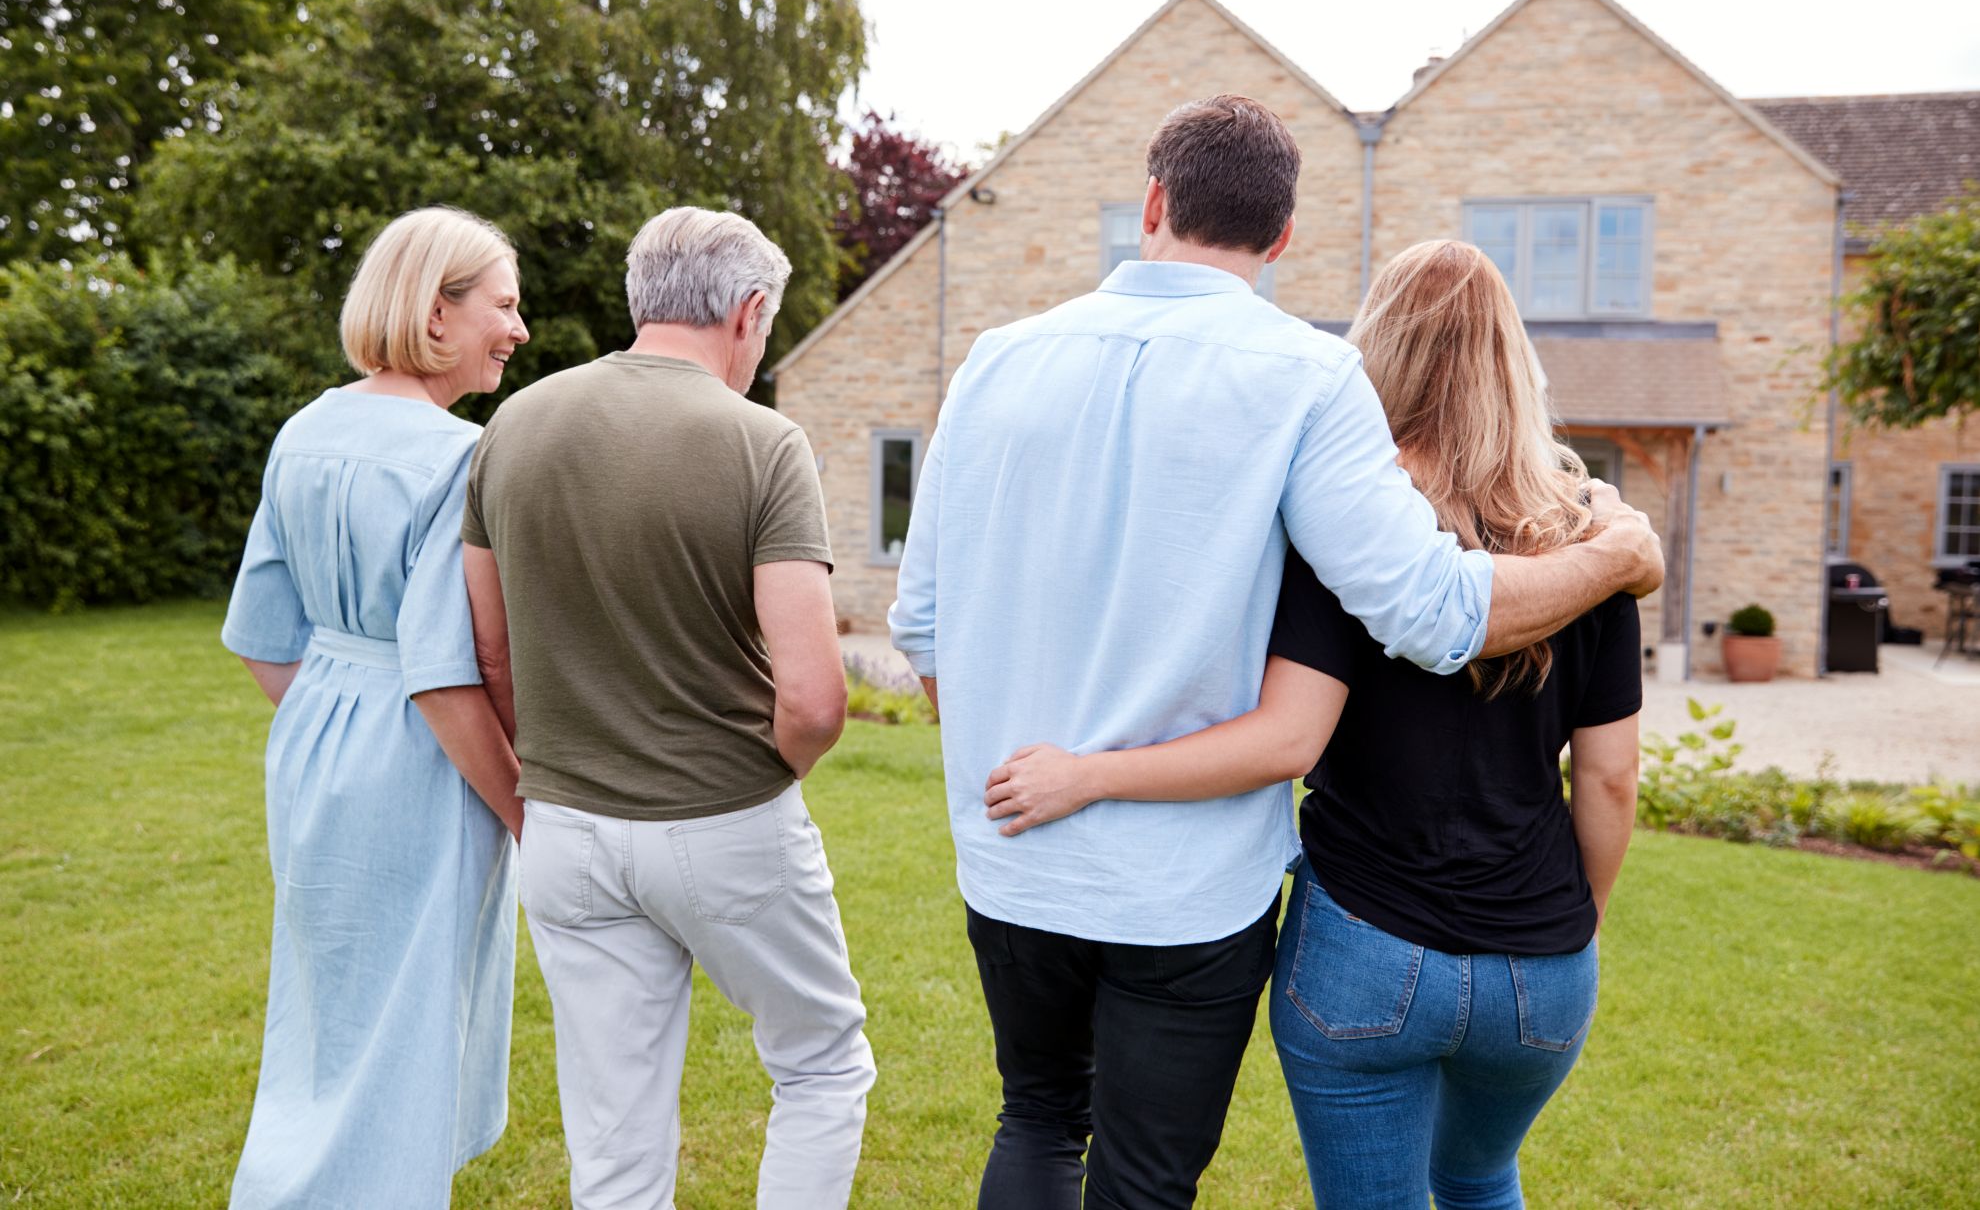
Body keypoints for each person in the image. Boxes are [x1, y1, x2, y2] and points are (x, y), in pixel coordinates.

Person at [887, 95, 1663, 1210]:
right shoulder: (1304, 377)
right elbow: (1433, 612)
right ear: (1283, 237)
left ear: (1152, 204)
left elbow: (922, 624)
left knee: (1037, 1121)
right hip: (1186, 891)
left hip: (1014, 846)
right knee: (1144, 1178)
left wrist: (1009, 754)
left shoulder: (996, 362)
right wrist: (1613, 559)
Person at [461, 207, 875, 1210]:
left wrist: (550, 775)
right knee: (822, 1064)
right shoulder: (764, 444)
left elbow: (489, 644)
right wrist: (766, 768)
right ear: (749, 310)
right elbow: (816, 699)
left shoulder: (514, 424)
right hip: (726, 818)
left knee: (613, 1132)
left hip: (563, 828)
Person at [221, 206, 530, 1207]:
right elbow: (447, 673)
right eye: (503, 305)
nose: (518, 330)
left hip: (312, 745)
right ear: (435, 314)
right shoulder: (460, 456)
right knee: (406, 1037)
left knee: (321, 1024)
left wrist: (337, 708)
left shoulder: (302, 431)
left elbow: (266, 638)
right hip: (419, 762)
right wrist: (529, 811)